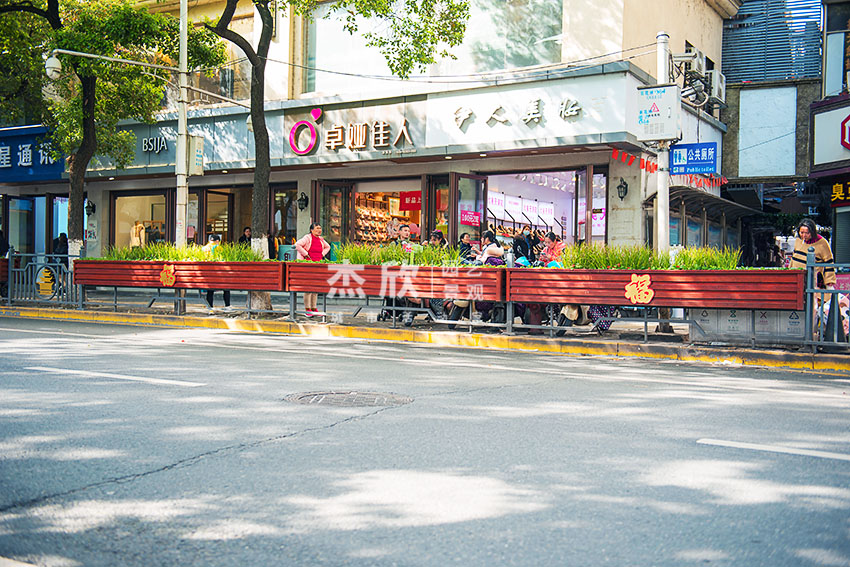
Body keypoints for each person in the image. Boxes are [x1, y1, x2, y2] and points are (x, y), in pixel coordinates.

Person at [295, 223, 330, 316]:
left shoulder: (321, 239)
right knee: (308, 288)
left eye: (320, 228)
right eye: (317, 228)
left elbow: (328, 247)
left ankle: (314, 308)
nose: (319, 230)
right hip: (308, 266)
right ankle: (308, 309)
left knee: (315, 288)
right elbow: (297, 245)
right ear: (311, 230)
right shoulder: (307, 238)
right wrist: (305, 254)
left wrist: (322, 254)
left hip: (317, 265)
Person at [790, 218, 835, 290]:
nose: (804, 235)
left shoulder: (822, 243)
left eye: (807, 233)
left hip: (813, 279)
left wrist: (829, 280)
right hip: (796, 277)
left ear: (812, 232)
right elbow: (794, 258)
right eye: (802, 232)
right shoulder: (798, 240)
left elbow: (829, 262)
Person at [202, 235, 231, 311]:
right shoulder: (219, 248)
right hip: (219, 274)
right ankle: (227, 306)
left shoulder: (204, 248)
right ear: (217, 241)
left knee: (210, 291)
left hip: (208, 275)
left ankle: (210, 307)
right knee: (226, 288)